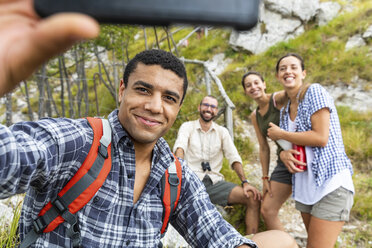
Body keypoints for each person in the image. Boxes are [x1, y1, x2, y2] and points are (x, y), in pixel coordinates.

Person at [0, 1, 299, 247]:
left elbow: (219, 239)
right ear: (121, 90)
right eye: (143, 89)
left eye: (169, 98)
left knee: (283, 241)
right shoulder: (76, 142)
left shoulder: (174, 178)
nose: (155, 106)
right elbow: (11, 156)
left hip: (213, 181)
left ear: (179, 106)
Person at [267, 53, 354, 248]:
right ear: (277, 76)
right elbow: (290, 147)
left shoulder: (314, 92)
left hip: (330, 183)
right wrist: (283, 153)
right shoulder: (284, 110)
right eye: (283, 69)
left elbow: (320, 137)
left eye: (293, 67)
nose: (288, 71)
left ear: (303, 73)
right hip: (305, 189)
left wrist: (281, 134)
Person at [173, 95, 262, 235]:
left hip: (215, 183)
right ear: (199, 107)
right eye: (206, 105)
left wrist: (245, 182)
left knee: (252, 197)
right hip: (191, 181)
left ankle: (252, 240)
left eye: (213, 106)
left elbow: (234, 157)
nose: (209, 109)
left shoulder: (222, 132)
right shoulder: (187, 127)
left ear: (216, 111)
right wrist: (180, 173)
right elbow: (180, 147)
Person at [241, 71, 292, 231]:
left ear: (264, 84)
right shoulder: (255, 115)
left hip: (303, 154)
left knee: (308, 208)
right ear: (245, 91)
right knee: (267, 209)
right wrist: (264, 177)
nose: (253, 87)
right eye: (248, 85)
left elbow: (294, 91)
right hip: (283, 160)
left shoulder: (277, 99)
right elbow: (263, 147)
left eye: (256, 83)